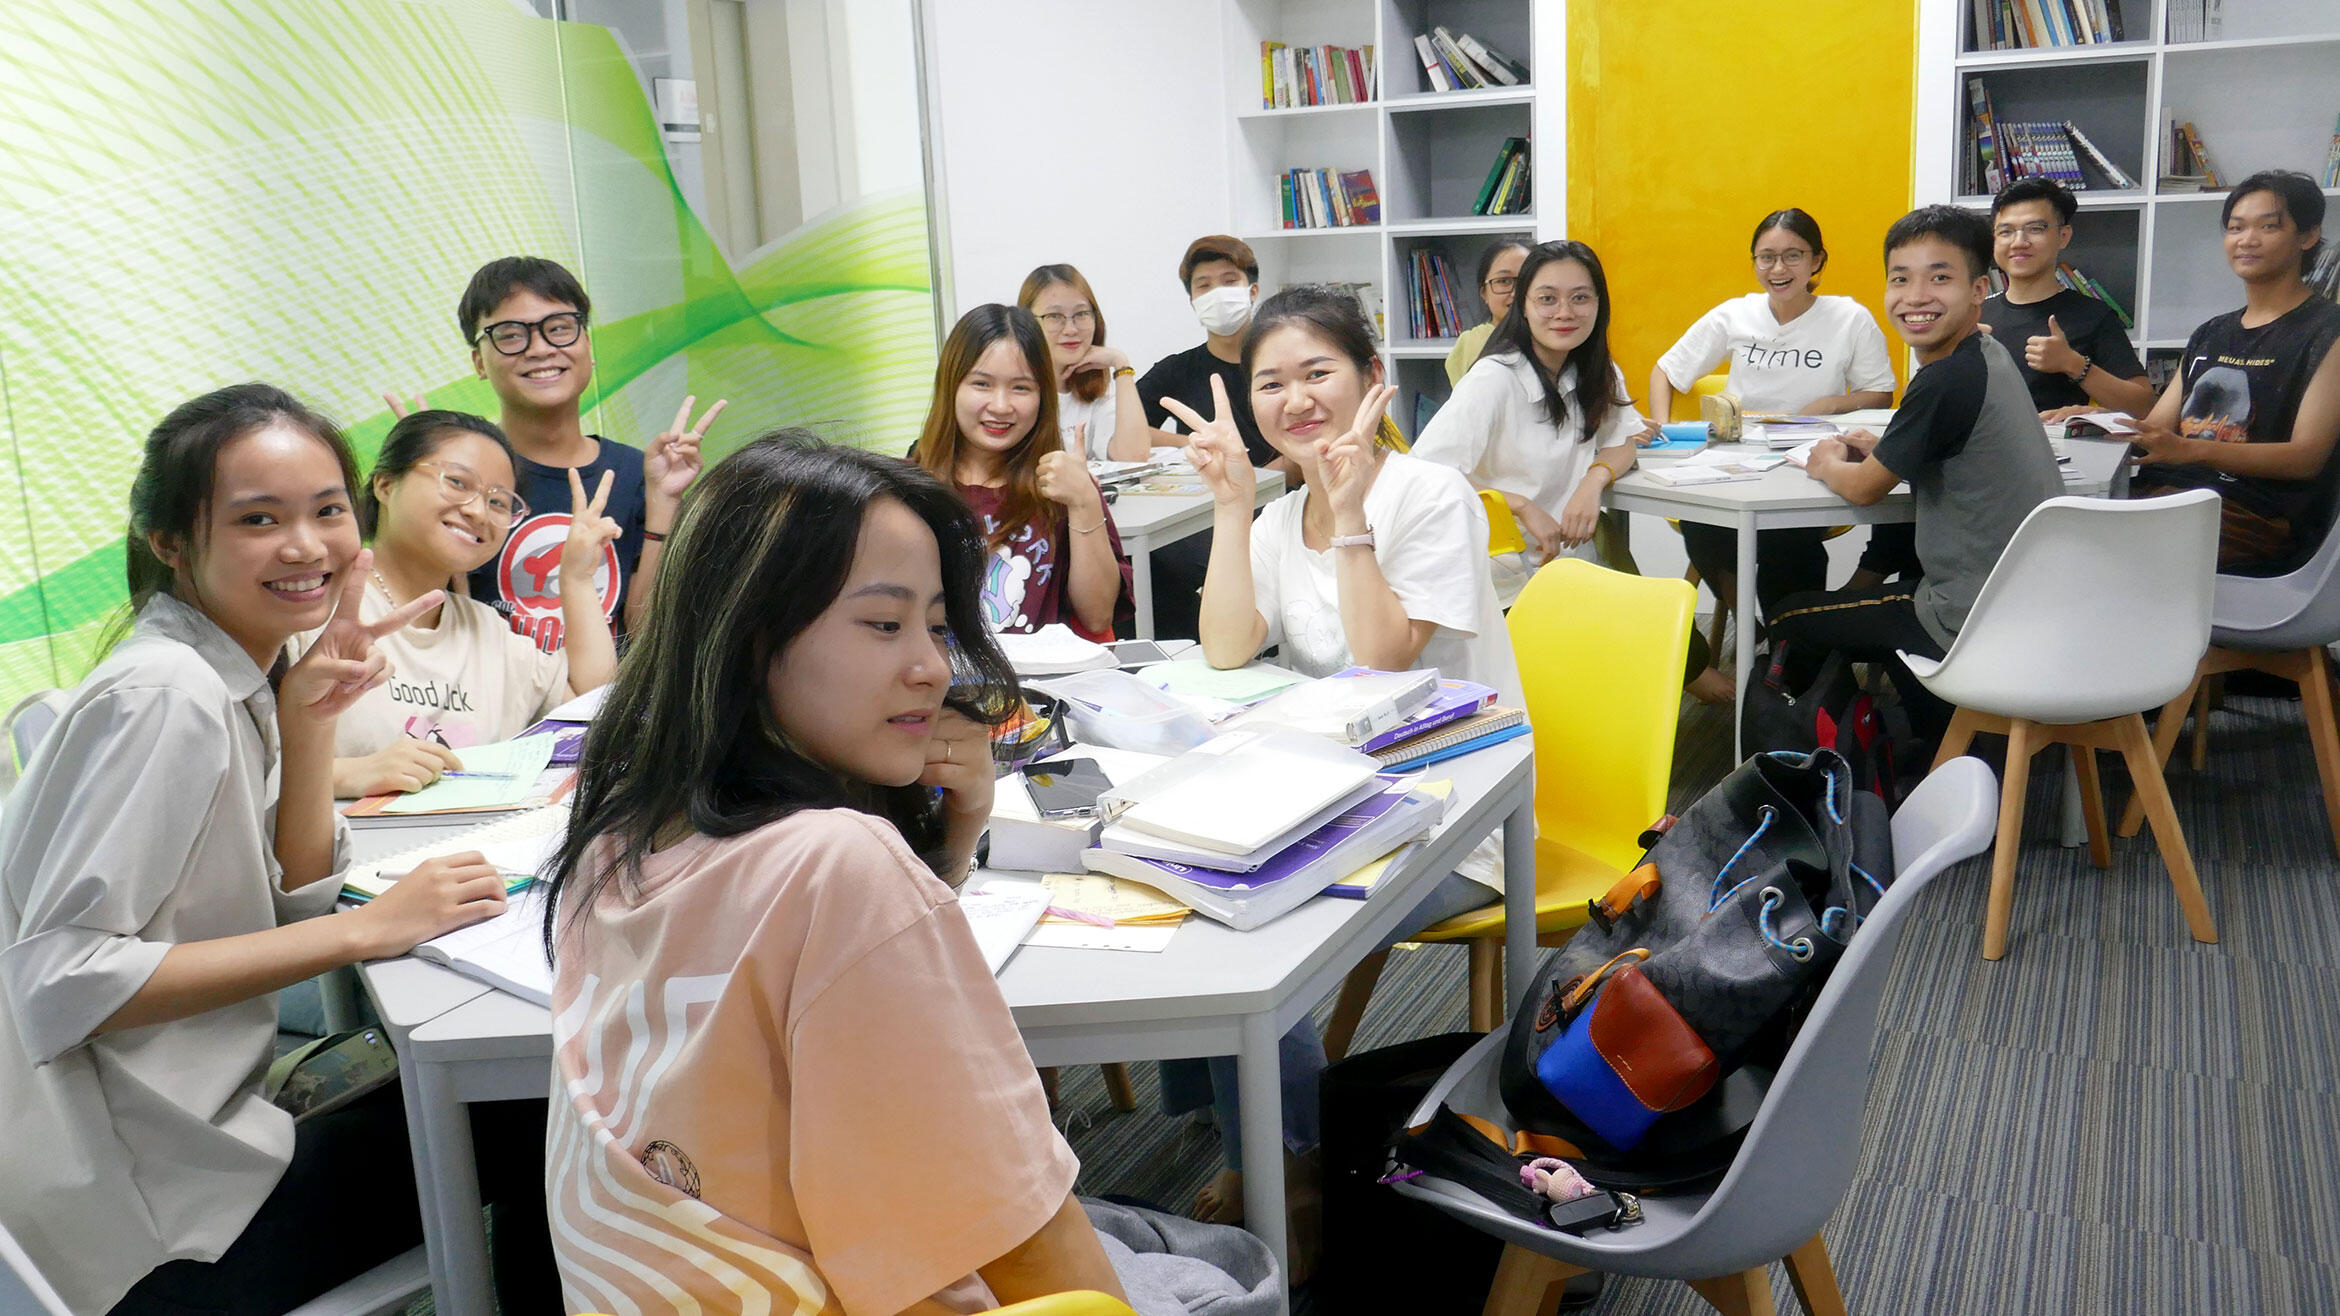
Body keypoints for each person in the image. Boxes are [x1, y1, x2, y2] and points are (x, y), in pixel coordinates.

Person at [537, 433, 1196, 1312]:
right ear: (747, 631)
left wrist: (948, 848)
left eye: (934, 623)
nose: (931, 665)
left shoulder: (612, 835)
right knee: (1207, 1268)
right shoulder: (837, 866)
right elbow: (1029, 1240)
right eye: (885, 624)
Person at [0, 384, 537, 1315]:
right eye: (259, 519)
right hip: (144, 1228)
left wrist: (310, 720)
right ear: (171, 541)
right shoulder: (166, 695)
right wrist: (365, 934)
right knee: (537, 1112)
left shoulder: (229, 668)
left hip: (188, 1140)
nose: (306, 545)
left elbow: (286, 892)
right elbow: (60, 980)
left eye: (325, 511)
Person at [1170, 284, 1525, 1224]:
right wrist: (1232, 507)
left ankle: (1295, 1173)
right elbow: (1225, 648)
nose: (1295, 400)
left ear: (1373, 380)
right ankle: (1279, 1144)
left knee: (1255, 937)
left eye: (1317, 372)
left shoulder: (1431, 494)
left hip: (1457, 812)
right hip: (1339, 800)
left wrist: (1354, 507)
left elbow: (1379, 661)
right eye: (1270, 383)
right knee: (1199, 895)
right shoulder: (1284, 518)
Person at [1769, 206, 2064, 742]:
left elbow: (1862, 489)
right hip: (2028, 596)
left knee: (1790, 617)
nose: (1916, 295)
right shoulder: (1984, 353)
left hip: (1968, 611)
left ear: (1979, 290)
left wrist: (1825, 461)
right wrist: (1887, 447)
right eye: (1900, 279)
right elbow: (1948, 442)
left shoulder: (1945, 378)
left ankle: (1809, 758)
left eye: (1940, 277)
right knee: (1890, 564)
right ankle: (1926, 731)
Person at [288, 410, 619, 798]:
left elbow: (590, 703)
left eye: (498, 502)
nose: (478, 511)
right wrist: (349, 774)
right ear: (385, 485)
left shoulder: (489, 630)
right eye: (457, 482)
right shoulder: (309, 602)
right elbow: (240, 765)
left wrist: (577, 577)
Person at [402, 256, 726, 651]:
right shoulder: (466, 475)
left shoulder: (639, 474)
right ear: (479, 362)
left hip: (605, 707)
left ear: (587, 345)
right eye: (509, 335)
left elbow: (647, 640)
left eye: (559, 329)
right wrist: (423, 496)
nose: (539, 349)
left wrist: (664, 500)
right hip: (500, 706)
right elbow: (434, 630)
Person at [1655, 209, 1900, 624]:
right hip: (1738, 460)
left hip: (1809, 462)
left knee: (1786, 543)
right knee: (1701, 526)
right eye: (1765, 257)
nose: (1778, 268)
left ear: (1817, 261)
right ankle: (1758, 633)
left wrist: (1828, 405)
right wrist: (1663, 429)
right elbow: (1666, 371)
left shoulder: (1849, 318)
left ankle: (1792, 642)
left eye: (1793, 255)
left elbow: (1881, 394)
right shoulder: (1735, 314)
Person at [2127, 170, 2340, 575]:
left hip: (2260, 518)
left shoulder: (2328, 331)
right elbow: (2155, 427)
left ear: (2308, 236)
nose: (2246, 239)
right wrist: (2091, 419)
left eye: (2268, 226)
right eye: (2236, 227)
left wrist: (2191, 449)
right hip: (2175, 496)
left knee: (2099, 557)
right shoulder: (2212, 332)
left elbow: (2306, 458)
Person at [911, 303, 1134, 638]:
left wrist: (1084, 502)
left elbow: (1098, 616)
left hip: (1038, 685)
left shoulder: (1062, 484)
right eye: (982, 384)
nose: (1001, 406)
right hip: (940, 685)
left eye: (1021, 388)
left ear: (1043, 396)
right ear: (951, 386)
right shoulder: (910, 490)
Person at [1139, 235, 1294, 639]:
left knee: (1187, 561)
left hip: (1274, 505)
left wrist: (1254, 483)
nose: (1216, 293)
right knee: (1149, 562)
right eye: (1203, 285)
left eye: (1229, 280)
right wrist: (1187, 442)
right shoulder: (1178, 369)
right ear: (1192, 300)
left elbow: (1303, 449)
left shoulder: (1280, 363)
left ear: (1252, 290)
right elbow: (1128, 433)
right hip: (1200, 506)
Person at [1981, 177, 2156, 418]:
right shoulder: (1975, 315)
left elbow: (2144, 406)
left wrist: (2072, 364)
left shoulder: (2093, 315)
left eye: (2035, 229)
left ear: (2063, 236)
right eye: (2006, 231)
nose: (2019, 242)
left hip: (2053, 450)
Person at [1019, 263, 1158, 461]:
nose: (1071, 329)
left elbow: (1133, 456)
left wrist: (1121, 364)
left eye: (1081, 314)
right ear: (1026, 322)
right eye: (1054, 316)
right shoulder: (1013, 390)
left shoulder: (1097, 388)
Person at [1444, 237, 1532, 384]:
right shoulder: (1472, 343)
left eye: (1527, 279)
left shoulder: (1554, 339)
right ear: (1484, 292)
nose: (1516, 293)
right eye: (1504, 281)